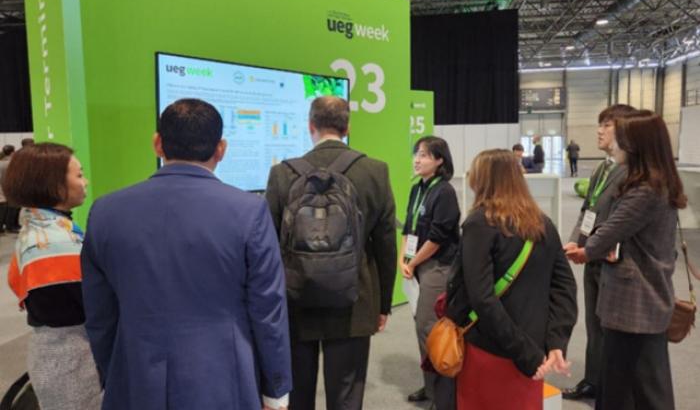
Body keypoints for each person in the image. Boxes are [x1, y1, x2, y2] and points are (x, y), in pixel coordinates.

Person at [80, 98, 292, 410]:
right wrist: (275, 389)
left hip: (135, 375)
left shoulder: (105, 212)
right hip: (223, 379)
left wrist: (115, 374)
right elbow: (268, 309)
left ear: (157, 144)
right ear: (221, 149)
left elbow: (99, 315)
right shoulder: (249, 211)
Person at [265, 96, 396, 410]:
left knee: (297, 396)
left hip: (296, 300)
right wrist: (383, 304)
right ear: (347, 127)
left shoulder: (282, 173)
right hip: (354, 301)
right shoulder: (375, 171)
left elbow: (268, 246)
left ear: (310, 125)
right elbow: (386, 244)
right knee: (346, 396)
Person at [566, 112, 686, 410]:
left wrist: (586, 250)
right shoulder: (651, 182)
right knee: (626, 381)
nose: (614, 143)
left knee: (642, 385)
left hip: (635, 301)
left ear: (637, 145)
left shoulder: (646, 189)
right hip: (637, 299)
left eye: (620, 138)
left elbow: (612, 230)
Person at [447, 149, 577, 410]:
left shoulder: (479, 224)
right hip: (534, 348)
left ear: (482, 179)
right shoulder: (543, 223)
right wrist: (555, 342)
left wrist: (524, 352)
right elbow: (565, 287)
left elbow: (482, 298)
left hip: (491, 347)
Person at [4, 143, 102, 410]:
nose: (85, 182)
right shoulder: (53, 242)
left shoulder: (40, 227)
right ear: (55, 186)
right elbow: (87, 305)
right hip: (71, 364)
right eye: (79, 175)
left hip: (61, 354)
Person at [561, 104, 637, 401]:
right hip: (592, 257)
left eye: (607, 125)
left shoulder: (633, 173)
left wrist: (591, 248)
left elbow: (624, 223)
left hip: (615, 262)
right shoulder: (602, 168)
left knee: (611, 329)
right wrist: (575, 242)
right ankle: (593, 380)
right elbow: (587, 210)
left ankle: (611, 387)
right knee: (594, 325)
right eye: (600, 124)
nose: (599, 130)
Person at [399, 136, 460, 409]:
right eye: (416, 154)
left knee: (429, 327)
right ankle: (430, 385)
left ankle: (442, 395)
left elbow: (437, 237)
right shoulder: (417, 189)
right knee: (421, 326)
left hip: (438, 265)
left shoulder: (444, 192)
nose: (417, 159)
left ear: (439, 160)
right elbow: (408, 228)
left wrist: (412, 262)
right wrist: (402, 258)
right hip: (417, 265)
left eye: (424, 155)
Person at [0, 145, 16, 232]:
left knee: (5, 208)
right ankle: (10, 226)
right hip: (10, 187)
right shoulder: (12, 163)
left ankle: (4, 225)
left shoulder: (1, 162)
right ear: (12, 152)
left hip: (3, 187)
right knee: (12, 208)